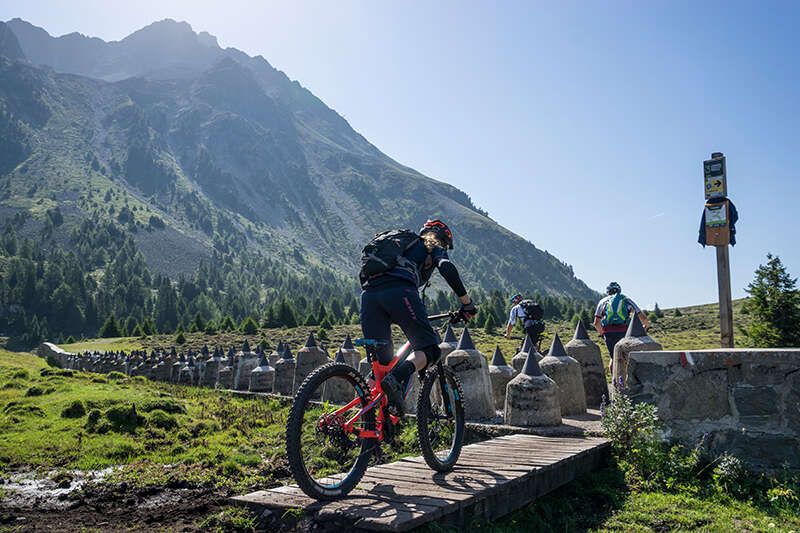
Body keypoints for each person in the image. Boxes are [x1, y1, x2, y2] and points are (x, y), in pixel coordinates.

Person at [360, 219, 476, 413]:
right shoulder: (431, 242)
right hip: (400, 292)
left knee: (382, 365)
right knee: (431, 350)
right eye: (445, 244)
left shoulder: (400, 246)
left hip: (369, 296)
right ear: (441, 238)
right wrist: (467, 304)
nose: (444, 247)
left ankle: (367, 429)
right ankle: (396, 379)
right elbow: (446, 266)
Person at [593, 282, 649, 368]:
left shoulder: (602, 302)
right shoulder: (626, 300)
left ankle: (614, 380)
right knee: (626, 359)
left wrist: (602, 334)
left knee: (614, 358)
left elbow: (596, 323)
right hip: (625, 333)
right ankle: (627, 380)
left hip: (609, 333)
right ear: (619, 291)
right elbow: (643, 318)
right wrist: (646, 327)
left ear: (608, 291)